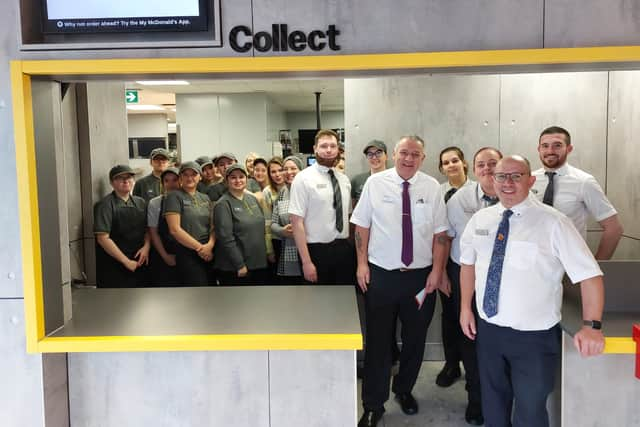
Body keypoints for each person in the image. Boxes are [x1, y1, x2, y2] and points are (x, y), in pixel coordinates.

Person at [459, 155, 605, 427]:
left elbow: (590, 275)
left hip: (534, 339)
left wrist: (592, 326)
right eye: (501, 176)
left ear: (531, 180)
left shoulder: (554, 222)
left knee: (530, 410)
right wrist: (466, 307)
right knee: (493, 404)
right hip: (489, 331)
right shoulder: (481, 219)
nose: (508, 182)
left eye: (516, 176)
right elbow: (468, 265)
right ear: (493, 180)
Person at [351, 135, 449, 427]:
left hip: (420, 278)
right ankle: (373, 404)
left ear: (423, 157)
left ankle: (404, 390)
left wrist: (437, 271)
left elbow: (441, 234)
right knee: (379, 342)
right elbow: (361, 225)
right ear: (394, 154)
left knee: (415, 341)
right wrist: (361, 264)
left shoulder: (431, 187)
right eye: (404, 152)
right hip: (381, 275)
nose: (409, 158)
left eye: (415, 154)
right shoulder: (376, 183)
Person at [443, 146, 503, 425]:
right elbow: (446, 238)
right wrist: (441, 272)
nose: (487, 169)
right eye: (482, 164)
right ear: (474, 168)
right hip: (463, 273)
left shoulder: (515, 196)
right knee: (469, 336)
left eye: (493, 163)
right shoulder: (459, 199)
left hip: (503, 278)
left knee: (498, 340)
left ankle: (501, 398)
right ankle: (475, 398)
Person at [532, 126, 623, 259]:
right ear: (539, 149)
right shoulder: (529, 180)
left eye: (557, 145)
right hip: (534, 264)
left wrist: (596, 267)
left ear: (569, 149)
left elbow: (614, 229)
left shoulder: (584, 182)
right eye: (545, 146)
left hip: (569, 265)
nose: (550, 151)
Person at [289, 129, 355, 285]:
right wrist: (306, 262)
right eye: (324, 146)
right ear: (315, 149)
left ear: (338, 149)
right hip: (315, 252)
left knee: (343, 299)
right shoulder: (303, 179)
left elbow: (348, 217)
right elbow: (296, 222)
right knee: (316, 303)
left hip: (343, 250)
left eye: (333, 146)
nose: (329, 150)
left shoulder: (343, 179)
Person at [214, 164, 272, 285]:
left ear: (246, 179)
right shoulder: (223, 204)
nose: (238, 180)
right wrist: (239, 264)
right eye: (233, 177)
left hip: (258, 263)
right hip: (236, 267)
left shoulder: (252, 199)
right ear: (226, 180)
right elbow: (226, 238)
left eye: (241, 177)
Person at [94, 164, 150, 288]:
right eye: (120, 178)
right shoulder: (105, 205)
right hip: (115, 265)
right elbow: (103, 238)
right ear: (112, 183)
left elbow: (147, 230)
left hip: (139, 261)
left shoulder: (141, 202)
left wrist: (147, 246)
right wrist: (126, 261)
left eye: (129, 177)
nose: (125, 181)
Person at [164, 161, 215, 286]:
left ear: (200, 176)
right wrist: (199, 248)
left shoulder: (205, 198)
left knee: (212, 289)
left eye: (194, 174)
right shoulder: (174, 197)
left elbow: (213, 226)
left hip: (209, 251)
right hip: (187, 253)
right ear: (180, 177)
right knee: (198, 291)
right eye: (185, 174)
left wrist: (210, 245)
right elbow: (174, 229)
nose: (189, 178)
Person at [271, 156, 304, 284]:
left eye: (293, 168)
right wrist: (282, 231)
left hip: (310, 248)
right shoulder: (281, 194)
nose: (289, 172)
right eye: (285, 169)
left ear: (301, 170)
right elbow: (273, 224)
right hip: (288, 250)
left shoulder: (309, 191)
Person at [147, 167, 180, 286]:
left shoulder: (187, 201)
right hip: (162, 253)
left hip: (185, 255)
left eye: (175, 180)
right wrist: (165, 256)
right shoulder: (155, 203)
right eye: (166, 180)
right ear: (162, 184)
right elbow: (153, 232)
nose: (171, 184)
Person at [263, 157, 286, 280]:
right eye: (273, 172)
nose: (277, 174)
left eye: (280, 170)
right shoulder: (267, 192)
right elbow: (267, 223)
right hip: (277, 239)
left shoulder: (295, 187)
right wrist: (269, 249)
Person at [351, 140, 388, 205]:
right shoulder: (357, 180)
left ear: (386, 156)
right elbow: (353, 208)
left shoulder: (394, 179)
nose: (374, 157)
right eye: (370, 154)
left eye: (378, 153)